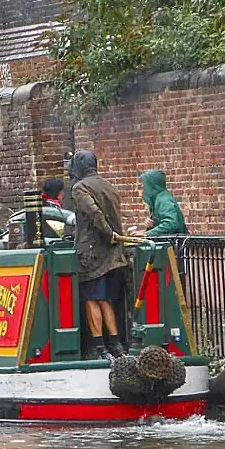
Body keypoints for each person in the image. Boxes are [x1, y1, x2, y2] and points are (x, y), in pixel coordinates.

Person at [68, 150, 129, 359]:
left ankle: (99, 347)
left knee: (91, 299)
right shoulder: (108, 185)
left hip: (92, 253)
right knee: (105, 299)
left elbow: (93, 212)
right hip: (113, 254)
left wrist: (107, 232)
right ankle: (116, 344)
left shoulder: (80, 188)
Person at [129, 169, 188, 237]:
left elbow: (170, 224)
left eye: (145, 183)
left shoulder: (164, 200)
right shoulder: (158, 198)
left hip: (176, 244)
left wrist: (147, 234)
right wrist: (151, 225)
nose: (142, 186)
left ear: (153, 185)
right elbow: (163, 224)